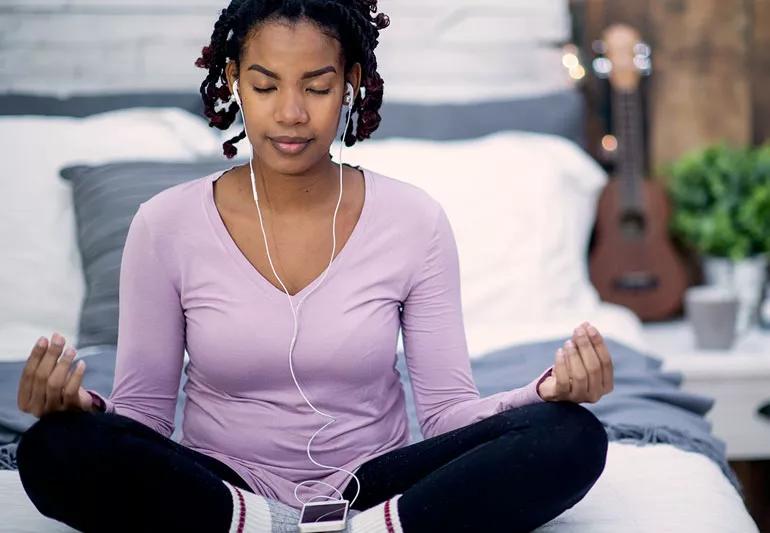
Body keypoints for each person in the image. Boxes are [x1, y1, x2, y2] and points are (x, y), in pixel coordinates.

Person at [15, 1, 614, 532]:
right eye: (266, 85)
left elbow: (446, 415)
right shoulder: (163, 225)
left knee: (570, 436)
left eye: (317, 87)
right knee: (53, 449)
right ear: (234, 83)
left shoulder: (413, 220)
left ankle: (370, 528)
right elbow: (144, 417)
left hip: (374, 486)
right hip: (221, 487)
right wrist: (80, 410)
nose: (292, 113)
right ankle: (263, 523)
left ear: (350, 83)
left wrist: (544, 393)